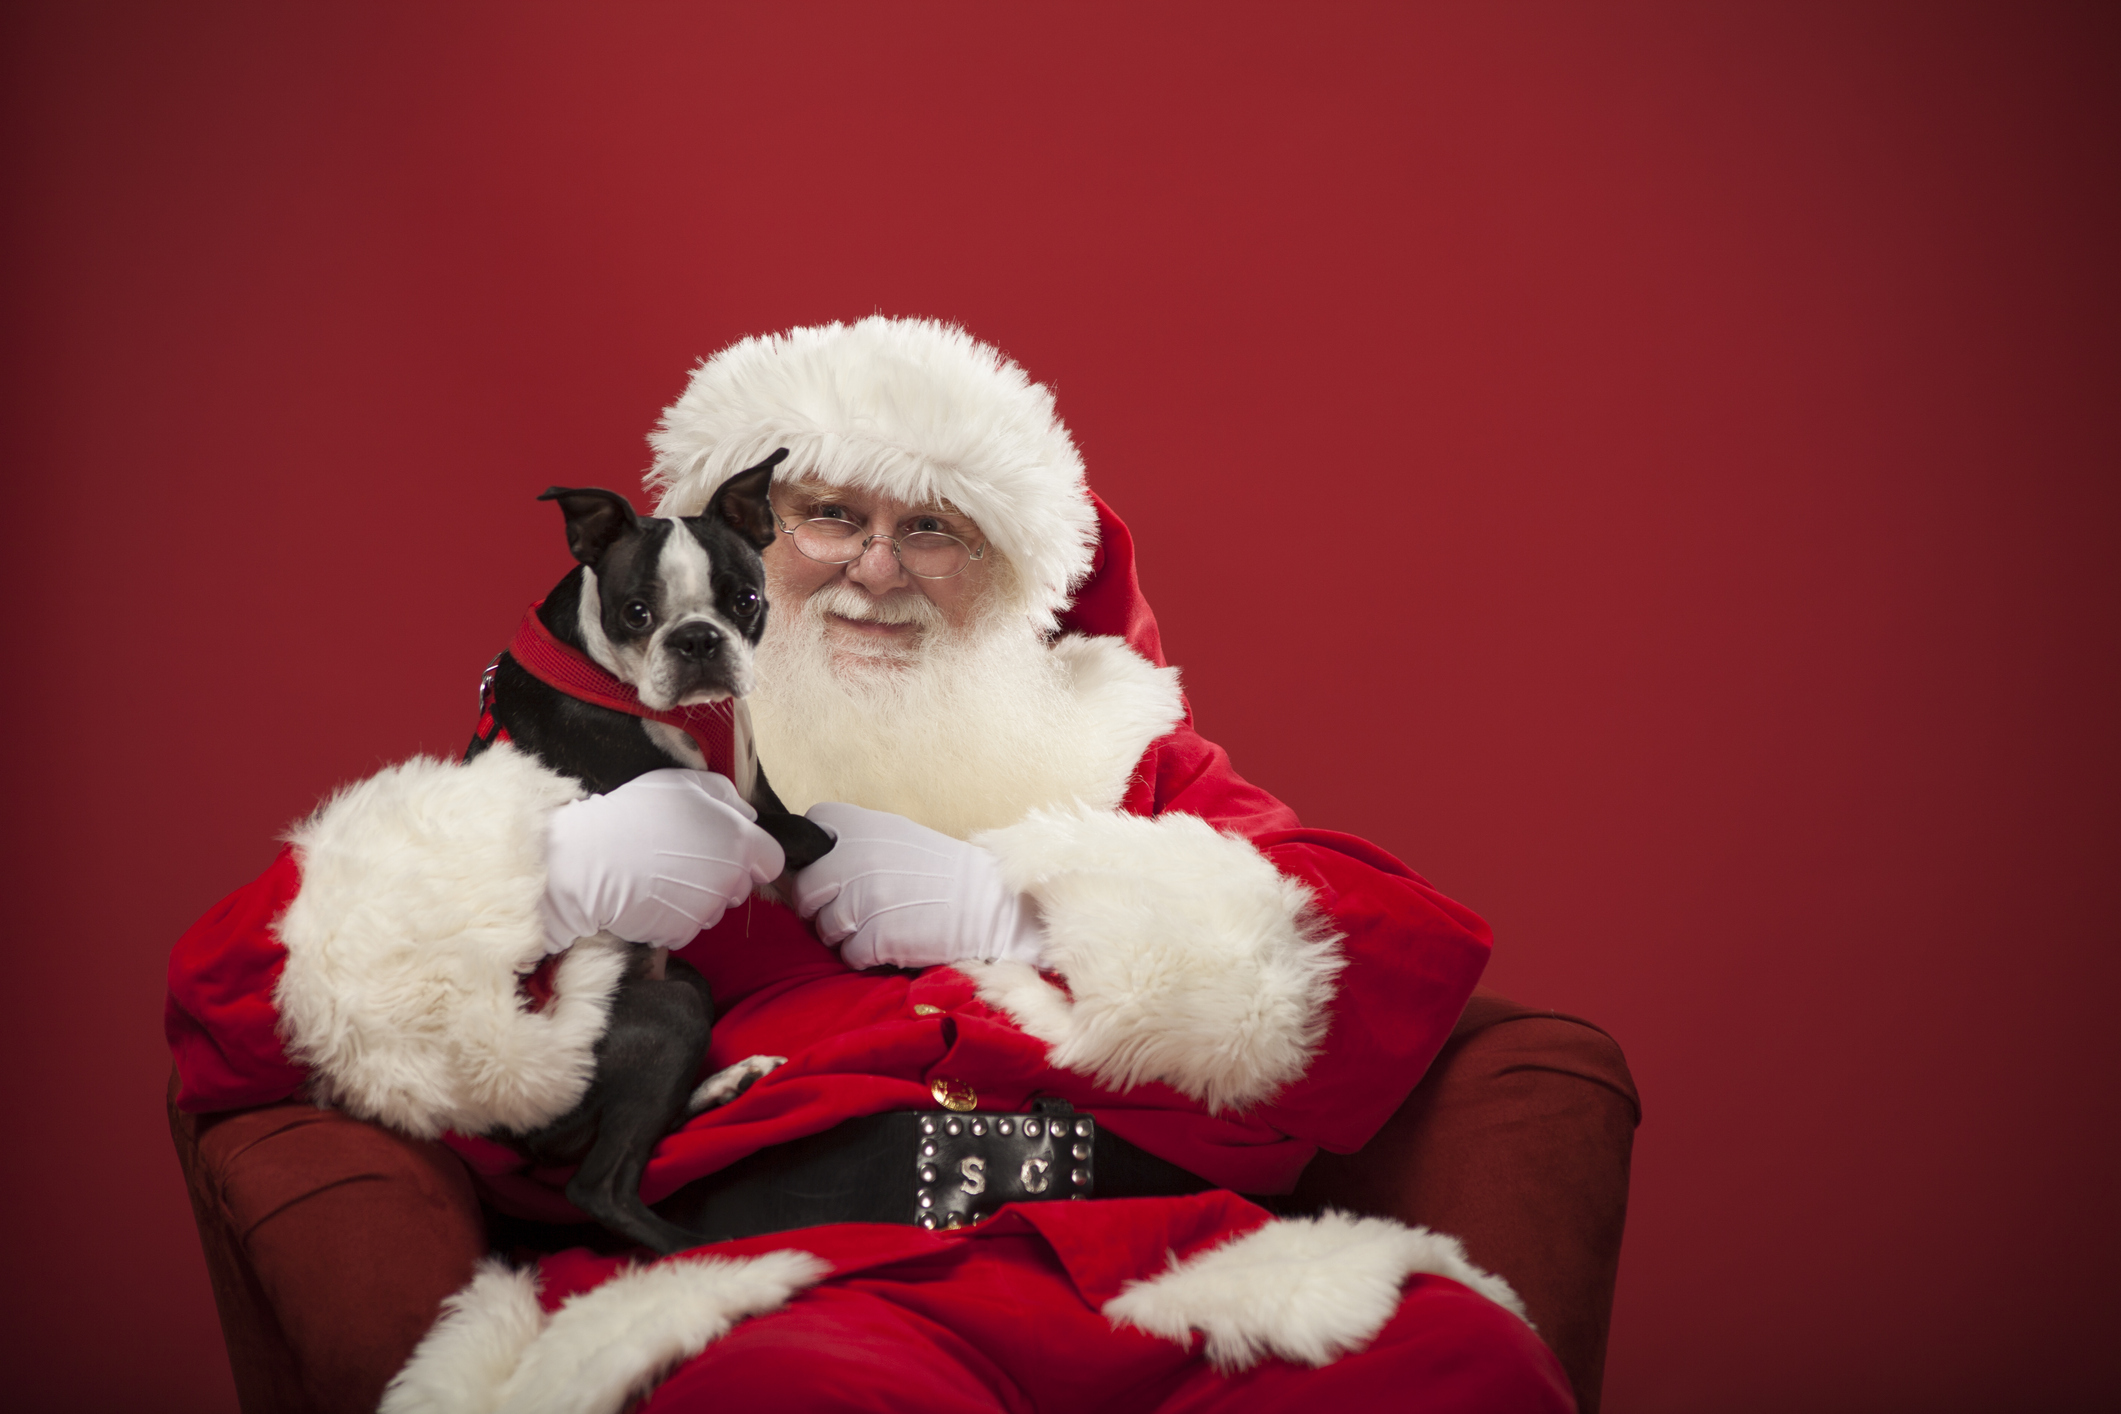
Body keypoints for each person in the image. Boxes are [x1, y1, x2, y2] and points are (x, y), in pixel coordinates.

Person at [166, 317, 1576, 1412]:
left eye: (934, 531)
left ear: (1014, 577)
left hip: (1163, 1262)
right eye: (825, 516)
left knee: (1446, 1359)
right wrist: (547, 876)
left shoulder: (1122, 760)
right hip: (784, 1287)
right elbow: (230, 1005)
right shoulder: (589, 768)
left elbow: (1399, 949)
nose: (874, 571)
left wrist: (1027, 906)